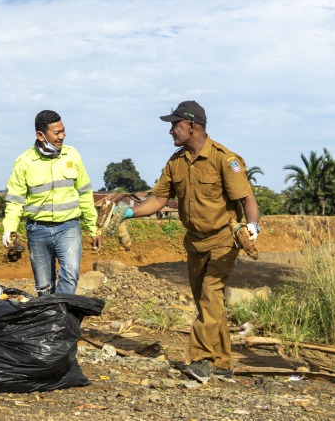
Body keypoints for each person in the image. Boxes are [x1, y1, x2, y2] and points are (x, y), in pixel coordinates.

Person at [106, 100, 259, 382]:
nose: (171, 131)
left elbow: (246, 197)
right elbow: (157, 199)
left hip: (224, 240)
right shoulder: (176, 162)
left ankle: (200, 361)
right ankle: (223, 363)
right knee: (208, 305)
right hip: (195, 242)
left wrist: (252, 225)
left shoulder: (225, 159)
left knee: (210, 295)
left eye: (175, 125)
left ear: (192, 126)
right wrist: (128, 212)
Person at [2, 110, 101, 296]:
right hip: (37, 230)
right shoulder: (24, 163)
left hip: (69, 227)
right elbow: (15, 201)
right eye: (57, 133)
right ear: (40, 135)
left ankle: (60, 315)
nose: (62, 136)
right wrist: (9, 228)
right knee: (44, 287)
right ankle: (51, 320)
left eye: (63, 131)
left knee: (70, 274)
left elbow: (85, 194)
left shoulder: (72, 156)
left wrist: (93, 228)